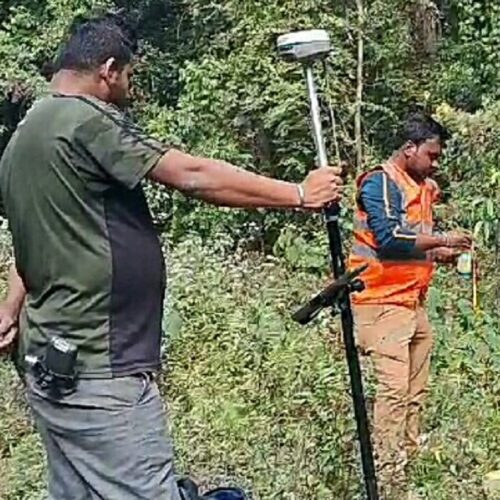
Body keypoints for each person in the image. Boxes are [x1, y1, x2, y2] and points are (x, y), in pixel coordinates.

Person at [0, 13, 344, 500]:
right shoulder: (83, 119)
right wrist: (299, 193)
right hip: (100, 368)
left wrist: (10, 307)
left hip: (53, 362)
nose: (130, 87)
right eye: (130, 76)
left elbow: (35, 235)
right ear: (109, 69)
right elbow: (192, 174)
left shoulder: (25, 136)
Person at [348, 113, 472, 499]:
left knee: (415, 392)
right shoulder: (380, 182)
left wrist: (444, 255)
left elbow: (413, 246)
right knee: (394, 392)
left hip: (411, 304)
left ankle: (410, 461)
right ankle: (389, 477)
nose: (435, 163)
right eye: (431, 156)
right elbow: (389, 239)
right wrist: (442, 238)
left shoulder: (423, 189)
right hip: (380, 303)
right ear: (409, 149)